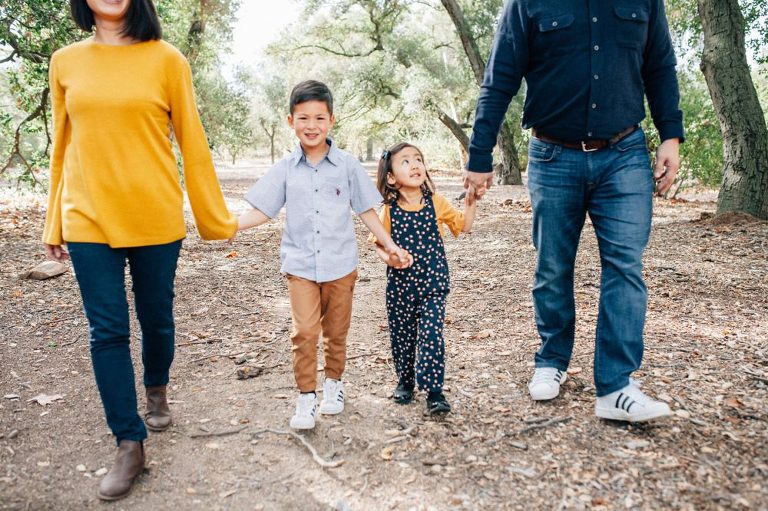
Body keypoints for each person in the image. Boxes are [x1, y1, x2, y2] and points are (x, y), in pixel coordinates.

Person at [42, 0, 237, 500]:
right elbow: (62, 145)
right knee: (106, 330)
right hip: (87, 216)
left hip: (154, 214)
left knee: (157, 317)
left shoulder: (167, 59)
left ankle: (156, 387)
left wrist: (213, 218)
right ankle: (130, 442)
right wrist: (53, 219)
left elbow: (191, 139)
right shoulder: (65, 61)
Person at [465, 0, 684, 422]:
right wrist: (480, 156)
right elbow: (499, 80)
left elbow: (660, 66)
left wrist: (670, 134)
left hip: (624, 155)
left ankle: (616, 386)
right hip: (553, 157)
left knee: (625, 266)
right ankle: (551, 359)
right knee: (552, 266)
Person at [237, 80, 411, 430]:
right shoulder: (286, 167)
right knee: (303, 332)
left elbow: (366, 211)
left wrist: (389, 244)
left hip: (340, 266)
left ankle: (334, 383)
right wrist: (228, 226)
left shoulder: (346, 165)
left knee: (336, 331)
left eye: (319, 118)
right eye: (303, 118)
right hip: (300, 266)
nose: (311, 125)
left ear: (331, 121)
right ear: (290, 121)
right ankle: (305, 397)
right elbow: (263, 210)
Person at [371, 143, 476, 415]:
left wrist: (471, 203)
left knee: (431, 333)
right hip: (400, 286)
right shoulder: (388, 210)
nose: (415, 165)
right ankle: (405, 381)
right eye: (405, 161)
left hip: (433, 282)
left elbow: (463, 226)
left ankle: (434, 391)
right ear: (391, 177)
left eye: (418, 159)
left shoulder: (436, 202)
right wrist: (392, 259)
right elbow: (379, 245)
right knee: (402, 335)